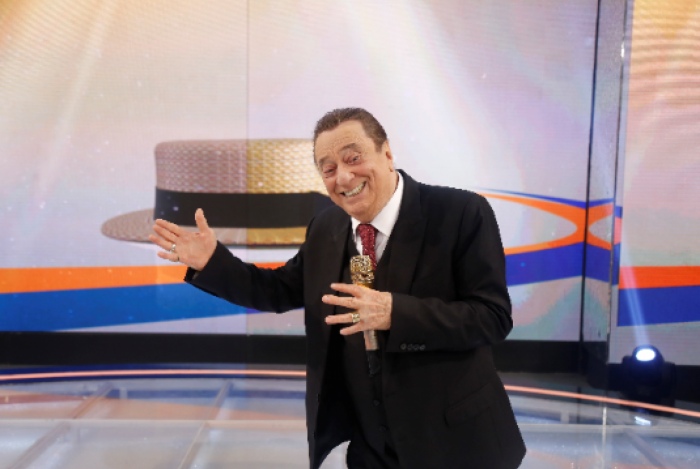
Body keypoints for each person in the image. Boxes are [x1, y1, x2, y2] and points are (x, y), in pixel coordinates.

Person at [149, 108, 526, 469]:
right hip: (369, 448)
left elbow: (492, 317)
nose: (343, 178)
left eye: (353, 158)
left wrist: (395, 313)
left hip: (456, 443)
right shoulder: (326, 227)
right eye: (328, 169)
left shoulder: (461, 212)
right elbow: (277, 290)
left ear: (387, 153)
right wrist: (213, 261)